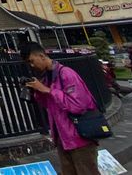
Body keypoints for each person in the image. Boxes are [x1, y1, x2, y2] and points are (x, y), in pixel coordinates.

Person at [20, 42, 101, 175]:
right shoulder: (47, 77)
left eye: (32, 61)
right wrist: (37, 91)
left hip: (79, 136)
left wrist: (46, 89)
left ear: (41, 55)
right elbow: (50, 105)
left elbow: (78, 105)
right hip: (63, 138)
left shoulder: (66, 74)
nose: (32, 65)